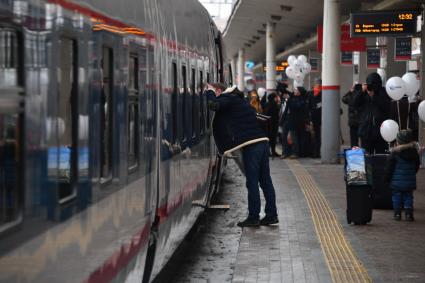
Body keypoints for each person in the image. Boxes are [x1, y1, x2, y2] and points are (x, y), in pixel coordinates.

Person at [205, 83, 278, 227]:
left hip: (252, 145)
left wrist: (209, 92)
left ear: (219, 90)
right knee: (265, 181)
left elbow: (213, 104)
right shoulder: (240, 100)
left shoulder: (228, 98)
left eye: (215, 91)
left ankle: (253, 217)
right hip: (262, 142)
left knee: (252, 182)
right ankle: (271, 215)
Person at [384, 129, 420, 221]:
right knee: (408, 197)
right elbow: (417, 166)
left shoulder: (394, 153)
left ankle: (397, 213)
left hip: (396, 182)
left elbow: (389, 168)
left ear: (398, 141)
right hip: (409, 180)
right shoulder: (414, 153)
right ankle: (408, 214)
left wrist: (386, 179)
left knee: (396, 197)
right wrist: (412, 173)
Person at [354, 73, 391, 154]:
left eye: (374, 84)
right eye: (370, 84)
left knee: (381, 156)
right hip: (366, 130)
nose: (372, 87)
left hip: (381, 131)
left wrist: (374, 97)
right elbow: (354, 103)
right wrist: (361, 91)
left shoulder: (383, 92)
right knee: (367, 156)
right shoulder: (363, 93)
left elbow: (386, 107)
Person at [342, 83, 362, 147]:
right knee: (363, 140)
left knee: (353, 140)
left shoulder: (350, 96)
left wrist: (350, 91)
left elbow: (343, 98)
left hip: (352, 121)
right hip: (361, 121)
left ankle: (354, 154)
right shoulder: (362, 96)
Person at [308, 78, 322, 157]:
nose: (318, 85)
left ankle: (316, 152)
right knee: (316, 136)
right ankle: (315, 152)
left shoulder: (323, 93)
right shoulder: (310, 94)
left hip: (317, 117)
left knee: (316, 136)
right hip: (315, 118)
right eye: (317, 84)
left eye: (319, 84)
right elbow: (308, 106)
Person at [264, 92, 281, 157]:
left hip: (268, 124)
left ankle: (270, 152)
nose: (277, 98)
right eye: (276, 97)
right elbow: (275, 116)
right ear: (274, 98)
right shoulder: (274, 105)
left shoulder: (267, 104)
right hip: (273, 124)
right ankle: (273, 151)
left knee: (269, 138)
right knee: (273, 138)